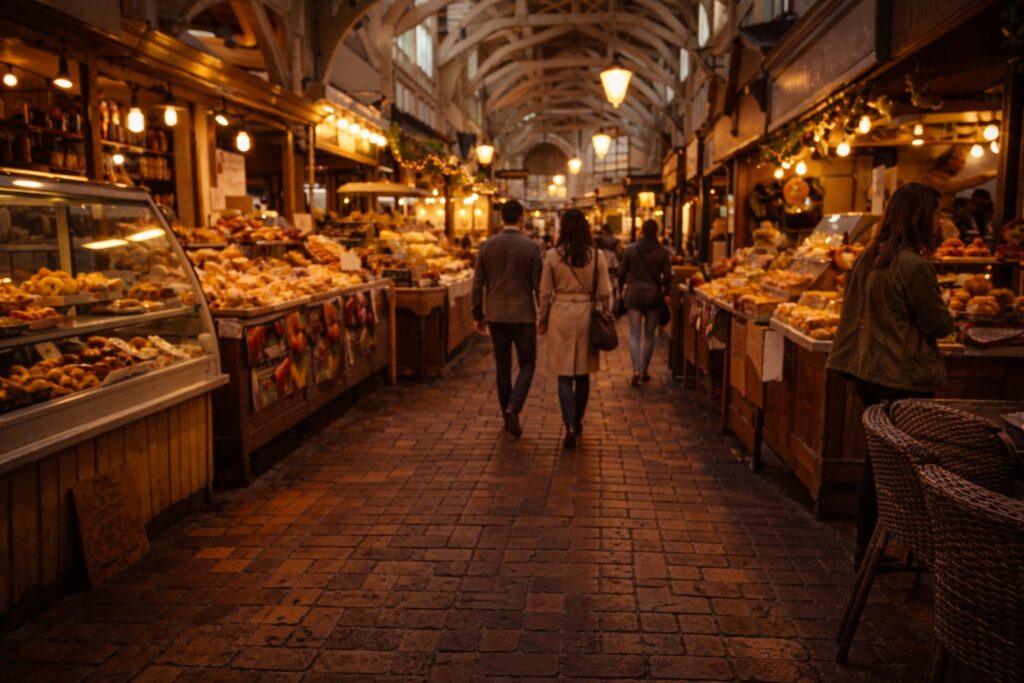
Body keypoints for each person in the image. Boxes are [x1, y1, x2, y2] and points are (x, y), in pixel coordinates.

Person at [826, 182, 953, 566]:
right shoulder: (914, 265)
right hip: (902, 376)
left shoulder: (868, 257)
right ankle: (896, 547)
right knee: (900, 468)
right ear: (921, 218)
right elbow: (938, 324)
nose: (940, 223)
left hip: (866, 371)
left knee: (877, 462)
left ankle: (868, 546)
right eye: (936, 215)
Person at [538, 209, 612, 449]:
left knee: (563, 374)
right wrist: (604, 310)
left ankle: (568, 423)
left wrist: (543, 318)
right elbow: (605, 292)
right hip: (586, 315)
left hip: (560, 313)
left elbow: (545, 292)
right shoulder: (597, 255)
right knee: (583, 372)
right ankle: (577, 421)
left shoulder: (552, 255)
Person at [472, 200, 542, 439]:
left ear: (502, 218)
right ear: (521, 218)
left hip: (497, 314)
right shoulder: (530, 247)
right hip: (523, 315)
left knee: (502, 365)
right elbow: (538, 286)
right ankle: (514, 406)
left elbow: (477, 283)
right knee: (528, 363)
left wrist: (477, 314)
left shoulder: (487, 246)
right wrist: (544, 314)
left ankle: (506, 414)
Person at [618, 219, 672, 386]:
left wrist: (621, 289)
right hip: (653, 295)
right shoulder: (662, 252)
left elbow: (622, 272)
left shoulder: (631, 249)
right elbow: (667, 276)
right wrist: (666, 292)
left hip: (634, 293)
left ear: (642, 230)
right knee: (649, 335)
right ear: (657, 230)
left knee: (634, 334)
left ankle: (635, 369)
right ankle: (644, 370)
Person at [596, 223, 621, 290]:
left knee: (604, 274)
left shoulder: (600, 238)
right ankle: (614, 289)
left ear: (604, 230)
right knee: (613, 276)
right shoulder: (615, 239)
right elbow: (618, 251)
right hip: (613, 259)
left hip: (605, 257)